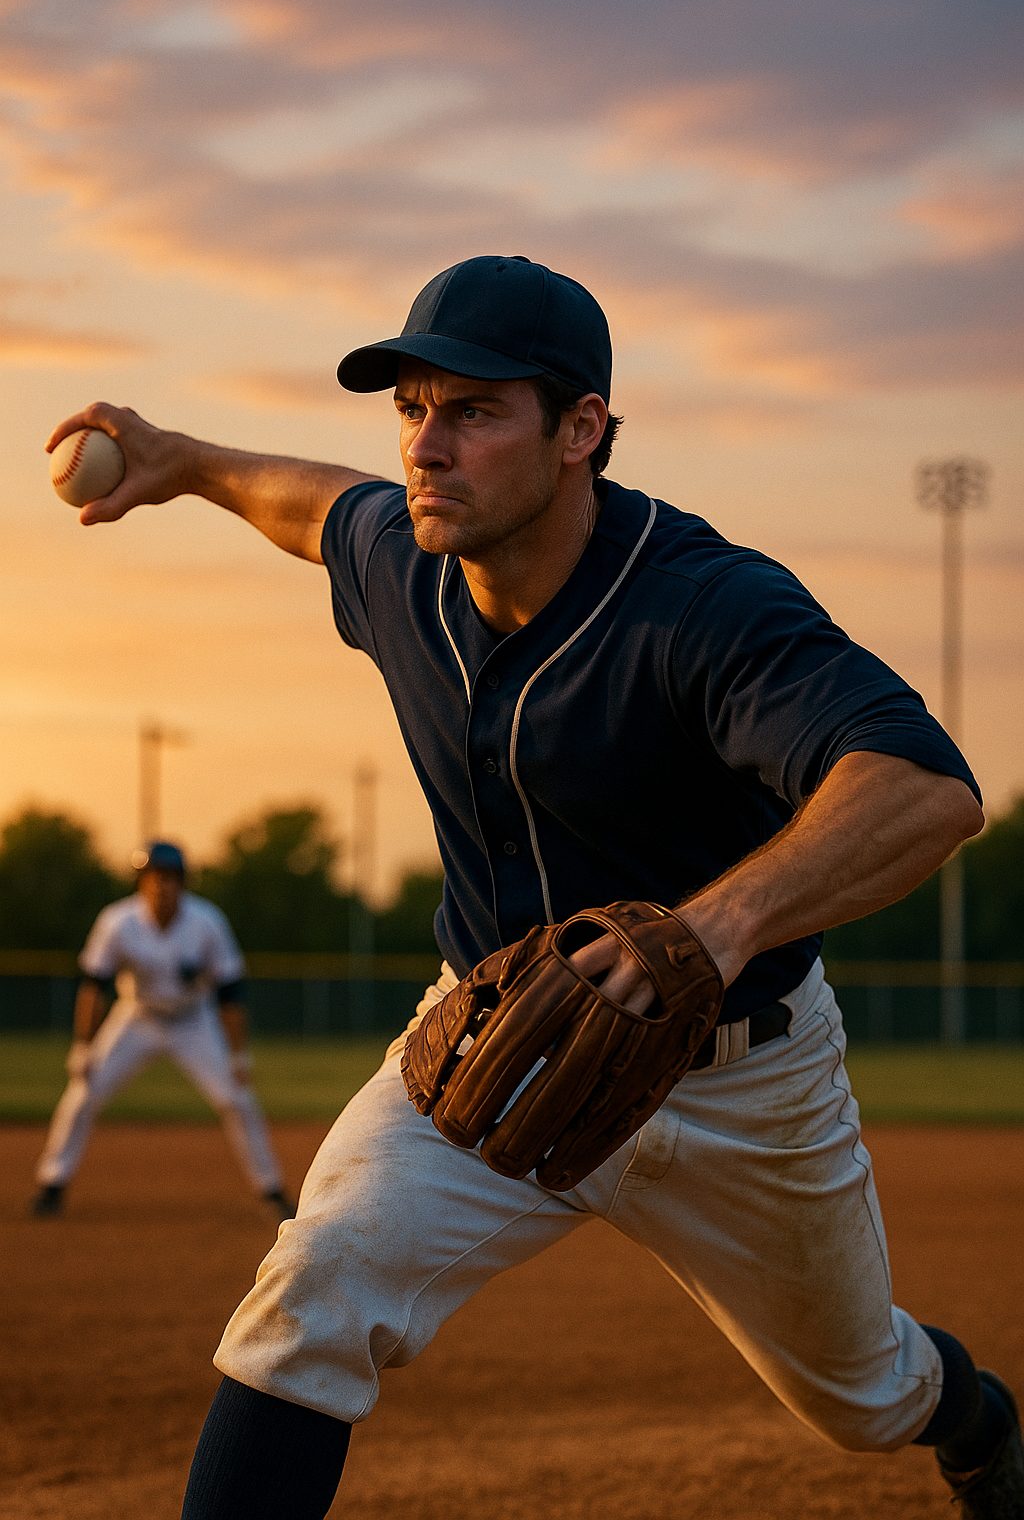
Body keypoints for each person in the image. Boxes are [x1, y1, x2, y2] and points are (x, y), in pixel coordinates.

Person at [48, 256, 1022, 1520]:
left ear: (581, 432)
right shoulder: (406, 563)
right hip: (492, 1045)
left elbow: (924, 788)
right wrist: (179, 457)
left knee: (861, 1394)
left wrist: (713, 926)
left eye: (472, 410)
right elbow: (310, 504)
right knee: (315, 1290)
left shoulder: (702, 606)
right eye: (410, 407)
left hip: (740, 1080)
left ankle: (981, 1420)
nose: (426, 448)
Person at [31, 839, 294, 1223]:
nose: (161, 885)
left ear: (182, 883)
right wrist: (82, 1045)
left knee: (236, 1098)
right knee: (84, 1090)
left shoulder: (207, 922)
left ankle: (271, 1189)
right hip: (136, 1017)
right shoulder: (118, 921)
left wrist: (238, 1054)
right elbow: (93, 984)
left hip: (193, 1020)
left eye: (170, 877)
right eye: (153, 877)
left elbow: (230, 993)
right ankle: (52, 1183)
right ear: (141, 883)